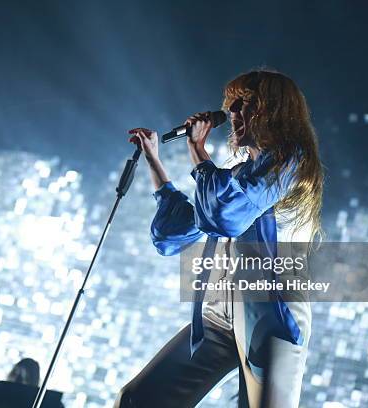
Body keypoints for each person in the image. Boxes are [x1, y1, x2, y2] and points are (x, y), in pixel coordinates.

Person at [115, 70, 324, 407]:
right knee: (139, 400)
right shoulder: (237, 174)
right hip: (217, 314)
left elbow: (226, 217)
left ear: (273, 111)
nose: (233, 113)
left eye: (246, 104)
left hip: (269, 316)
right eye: (232, 105)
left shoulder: (291, 162)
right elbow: (172, 235)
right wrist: (154, 159)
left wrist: (198, 149)